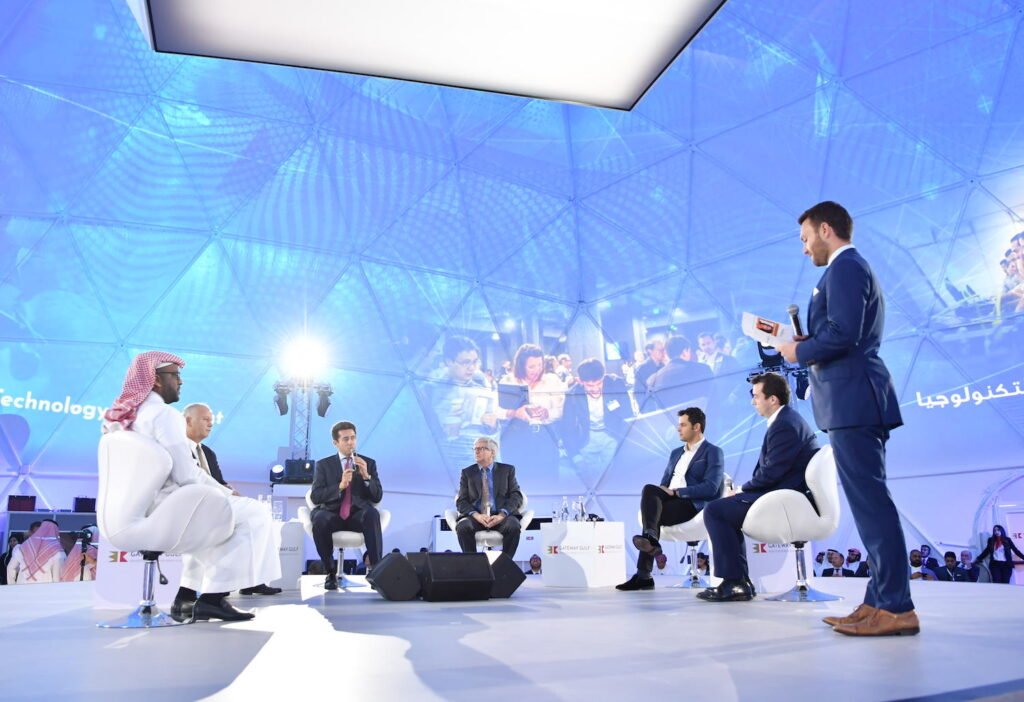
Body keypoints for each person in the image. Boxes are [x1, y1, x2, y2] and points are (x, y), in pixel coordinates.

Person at [778, 201, 916, 637]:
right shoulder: (845, 269)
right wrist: (811, 341)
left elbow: (845, 333)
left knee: (873, 505)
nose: (804, 249)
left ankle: (897, 607)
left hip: (854, 400)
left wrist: (798, 350)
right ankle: (879, 600)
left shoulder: (845, 267)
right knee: (868, 504)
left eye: (805, 239)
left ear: (825, 230)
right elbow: (841, 331)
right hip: (851, 400)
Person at [102, 351, 276, 622]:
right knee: (252, 513)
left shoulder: (127, 418)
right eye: (175, 375)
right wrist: (226, 493)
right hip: (161, 509)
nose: (180, 381)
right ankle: (213, 599)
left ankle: (186, 598)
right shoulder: (164, 415)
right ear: (156, 379)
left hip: (131, 512)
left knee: (215, 519)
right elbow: (186, 475)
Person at [697, 373, 819, 602]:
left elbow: (772, 473)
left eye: (756, 396)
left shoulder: (785, 425)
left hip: (786, 497)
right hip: (784, 492)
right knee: (724, 509)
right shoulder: (787, 420)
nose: (753, 402)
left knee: (716, 510)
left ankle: (735, 582)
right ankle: (739, 581)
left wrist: (741, 490)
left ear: (772, 399)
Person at [618, 407, 724, 591]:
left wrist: (677, 493)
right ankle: (651, 540)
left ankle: (644, 574)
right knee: (649, 490)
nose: (678, 428)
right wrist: (664, 494)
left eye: (683, 425)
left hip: (692, 504)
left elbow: (711, 488)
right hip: (669, 501)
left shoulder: (712, 452)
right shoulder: (676, 453)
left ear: (696, 427)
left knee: (652, 517)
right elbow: (664, 484)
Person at [183, 402, 282, 597]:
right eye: (205, 419)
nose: (210, 424)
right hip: (194, 505)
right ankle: (219, 588)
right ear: (188, 421)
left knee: (262, 520)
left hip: (217, 501)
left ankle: (253, 580)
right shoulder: (179, 449)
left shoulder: (208, 453)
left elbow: (218, 481)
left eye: (211, 420)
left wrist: (228, 489)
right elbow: (191, 479)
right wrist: (225, 492)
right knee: (254, 515)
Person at [310, 421, 384, 591]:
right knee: (319, 518)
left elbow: (377, 496)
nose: (350, 442)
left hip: (357, 515)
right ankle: (330, 572)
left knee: (372, 513)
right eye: (345, 439)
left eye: (353, 438)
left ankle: (377, 572)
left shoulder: (368, 463)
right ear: (335, 443)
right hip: (332, 514)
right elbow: (316, 496)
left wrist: (366, 477)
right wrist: (340, 486)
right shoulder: (323, 465)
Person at [429, 336, 500, 472]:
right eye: (465, 362)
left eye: (475, 362)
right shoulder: (433, 389)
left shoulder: (481, 386)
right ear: (449, 361)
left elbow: (492, 431)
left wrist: (493, 425)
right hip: (447, 462)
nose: (471, 368)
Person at [499, 343, 565, 474]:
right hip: (515, 438)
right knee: (517, 480)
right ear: (521, 366)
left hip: (545, 437)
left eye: (540, 365)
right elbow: (496, 410)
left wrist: (547, 413)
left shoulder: (552, 380)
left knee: (547, 478)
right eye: (531, 367)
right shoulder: (508, 381)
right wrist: (514, 413)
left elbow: (561, 410)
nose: (537, 370)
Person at [560, 358, 633, 475]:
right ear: (581, 381)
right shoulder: (572, 395)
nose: (595, 389)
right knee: (591, 476)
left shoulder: (616, 384)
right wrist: (576, 457)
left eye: (599, 383)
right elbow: (567, 428)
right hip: (586, 437)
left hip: (612, 434)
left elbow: (628, 415)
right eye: (590, 385)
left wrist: (626, 445)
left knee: (614, 474)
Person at [455, 438, 524, 556]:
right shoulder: (467, 473)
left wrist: (501, 515)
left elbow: (516, 496)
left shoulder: (507, 470)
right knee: (463, 526)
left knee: (513, 525)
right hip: (477, 517)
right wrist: (477, 516)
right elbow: (461, 501)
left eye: (480, 448)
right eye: (474, 449)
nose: (476, 451)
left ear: (493, 452)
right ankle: (472, 563)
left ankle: (504, 563)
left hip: (501, 517)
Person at [646, 335, 714, 411]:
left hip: (670, 419)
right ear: (685, 351)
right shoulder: (703, 369)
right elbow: (714, 400)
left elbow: (651, 410)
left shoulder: (652, 380)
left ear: (667, 354)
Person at [6, 519, 65, 584]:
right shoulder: (57, 551)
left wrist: (12, 586)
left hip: (22, 587)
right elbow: (57, 578)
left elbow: (10, 568)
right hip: (44, 588)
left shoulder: (21, 548)